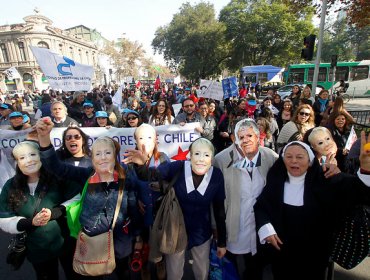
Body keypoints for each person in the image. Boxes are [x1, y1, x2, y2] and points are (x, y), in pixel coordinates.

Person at [35, 118, 142, 280]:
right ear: (92, 159)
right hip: (93, 241)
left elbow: (135, 204)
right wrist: (44, 138)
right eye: (98, 153)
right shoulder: (87, 174)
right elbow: (56, 167)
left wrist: (138, 236)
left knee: (123, 273)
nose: (103, 157)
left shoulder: (125, 176)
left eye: (108, 153)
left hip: (120, 240)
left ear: (115, 156)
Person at [254, 138, 370, 280]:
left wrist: (365, 169)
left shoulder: (326, 179)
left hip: (314, 256)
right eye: (288, 157)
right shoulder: (276, 182)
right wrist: (265, 227)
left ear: (310, 161)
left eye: (300, 157)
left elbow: (360, 194)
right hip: (281, 254)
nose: (293, 161)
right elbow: (261, 206)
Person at [0, 141, 80, 280]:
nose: (29, 160)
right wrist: (30, 222)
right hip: (37, 249)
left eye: (32, 154)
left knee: (74, 275)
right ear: (17, 162)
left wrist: (55, 212)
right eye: (22, 157)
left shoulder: (58, 177)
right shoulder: (11, 186)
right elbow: (4, 218)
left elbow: (77, 197)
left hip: (66, 243)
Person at [214, 118, 279, 280]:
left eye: (250, 135)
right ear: (234, 139)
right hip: (232, 224)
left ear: (258, 137)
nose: (246, 140)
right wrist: (216, 228)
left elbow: (295, 166)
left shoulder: (270, 157)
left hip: (260, 226)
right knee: (232, 267)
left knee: (256, 267)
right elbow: (214, 199)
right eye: (241, 137)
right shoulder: (221, 160)